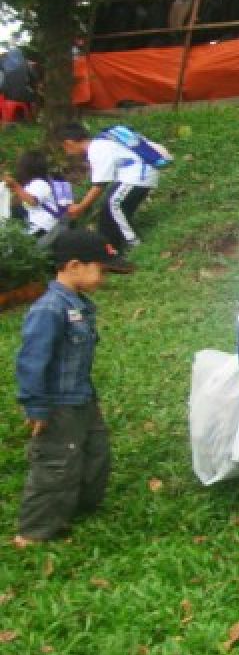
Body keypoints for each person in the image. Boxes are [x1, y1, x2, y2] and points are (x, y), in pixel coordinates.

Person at [13, 229, 132, 547]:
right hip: (57, 403)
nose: (103, 278)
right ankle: (34, 531)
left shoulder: (79, 306)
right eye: (101, 269)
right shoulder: (49, 309)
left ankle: (78, 507)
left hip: (82, 398)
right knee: (56, 462)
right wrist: (35, 406)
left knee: (95, 453)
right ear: (74, 265)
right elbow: (32, 361)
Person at [57, 122, 163, 251]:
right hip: (135, 177)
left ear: (69, 143)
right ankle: (111, 248)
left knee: (114, 205)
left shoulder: (97, 148)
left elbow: (100, 185)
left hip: (138, 177)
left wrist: (81, 207)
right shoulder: (101, 143)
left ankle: (136, 245)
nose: (67, 153)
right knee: (107, 210)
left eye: (64, 148)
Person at [3, 150, 70, 241]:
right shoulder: (33, 184)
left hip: (44, 228)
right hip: (42, 227)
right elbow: (16, 203)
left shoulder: (39, 183)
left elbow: (32, 201)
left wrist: (14, 185)